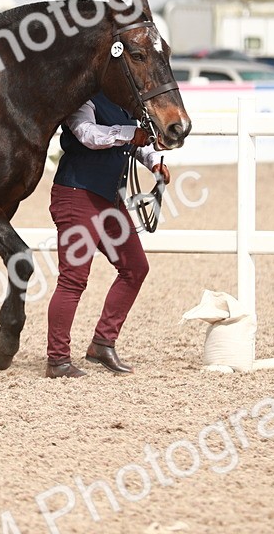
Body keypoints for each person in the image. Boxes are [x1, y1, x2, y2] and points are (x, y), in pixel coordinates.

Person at [45, 91, 170, 379]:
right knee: (73, 279)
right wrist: (129, 134)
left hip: (108, 199)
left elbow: (135, 144)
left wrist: (154, 162)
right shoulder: (81, 98)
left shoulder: (122, 102)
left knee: (135, 268)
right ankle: (57, 359)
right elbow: (87, 134)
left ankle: (102, 343)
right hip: (77, 195)